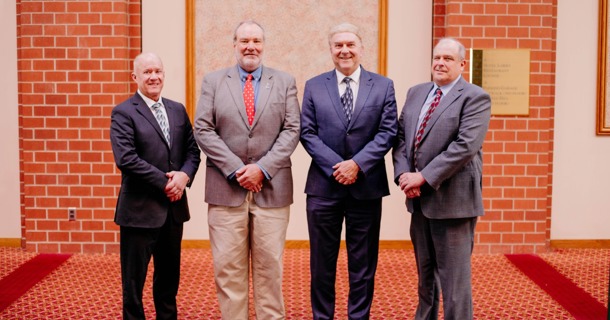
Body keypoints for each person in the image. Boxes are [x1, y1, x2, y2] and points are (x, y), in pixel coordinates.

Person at [193, 20, 300, 320]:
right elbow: (202, 128)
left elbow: (292, 129)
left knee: (270, 270)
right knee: (228, 270)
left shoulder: (284, 81)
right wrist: (238, 169)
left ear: (264, 45)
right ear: (234, 44)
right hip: (226, 190)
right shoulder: (213, 81)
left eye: (256, 41)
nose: (250, 46)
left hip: (272, 190)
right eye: (244, 41)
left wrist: (262, 169)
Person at [300, 22, 398, 320]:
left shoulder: (383, 85)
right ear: (331, 50)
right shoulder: (314, 85)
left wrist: (357, 165)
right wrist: (337, 167)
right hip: (323, 189)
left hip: (366, 187)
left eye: (350, 44)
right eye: (338, 45)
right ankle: (322, 317)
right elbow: (307, 132)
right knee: (321, 264)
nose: (344, 50)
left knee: (363, 264)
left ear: (361, 48)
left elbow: (388, 131)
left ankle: (358, 317)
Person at [392, 37, 491, 320]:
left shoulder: (475, 97)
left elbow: (465, 146)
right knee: (426, 277)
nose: (440, 63)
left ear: (462, 64)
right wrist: (403, 176)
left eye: (448, 59)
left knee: (454, 283)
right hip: (419, 201)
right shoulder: (416, 92)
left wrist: (422, 177)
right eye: (437, 57)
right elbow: (400, 138)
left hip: (454, 202)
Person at [110, 52, 201, 320]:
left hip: (173, 212)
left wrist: (184, 177)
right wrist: (167, 183)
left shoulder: (177, 109)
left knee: (169, 280)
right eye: (147, 72)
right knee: (133, 284)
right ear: (135, 77)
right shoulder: (124, 112)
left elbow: (192, 152)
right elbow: (126, 159)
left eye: (158, 71)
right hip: (139, 211)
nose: (154, 77)